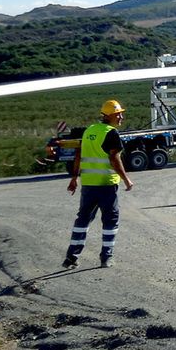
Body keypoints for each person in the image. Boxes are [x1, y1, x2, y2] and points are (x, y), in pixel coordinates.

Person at [62, 98, 133, 269]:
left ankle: (71, 257)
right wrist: (126, 179)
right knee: (110, 221)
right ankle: (106, 257)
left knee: (83, 220)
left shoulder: (90, 130)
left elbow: (78, 154)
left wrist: (74, 178)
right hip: (107, 185)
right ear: (109, 115)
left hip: (88, 185)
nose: (121, 117)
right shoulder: (111, 133)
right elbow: (114, 159)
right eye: (118, 114)